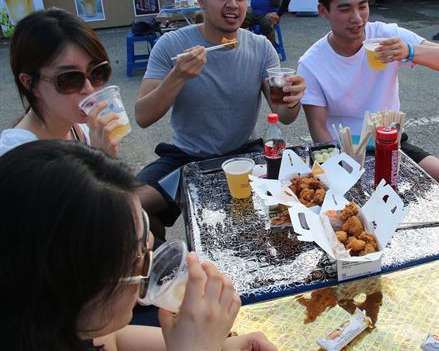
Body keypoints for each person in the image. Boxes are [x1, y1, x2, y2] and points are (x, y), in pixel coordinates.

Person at [0, 140, 276, 350]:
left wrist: (216, 345)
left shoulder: (75, 321)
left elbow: (111, 337)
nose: (152, 256)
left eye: (147, 236)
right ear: (72, 285)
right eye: (139, 259)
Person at [135, 0, 305, 239]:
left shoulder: (261, 47)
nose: (233, 5)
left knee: (286, 201)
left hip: (244, 153)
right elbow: (143, 116)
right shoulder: (171, 45)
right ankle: (163, 265)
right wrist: (178, 76)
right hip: (186, 158)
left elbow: (285, 117)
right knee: (126, 208)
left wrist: (294, 97)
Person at [298, 0, 439, 200]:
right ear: (323, 11)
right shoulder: (312, 63)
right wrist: (339, 171)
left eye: (362, 6)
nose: (357, 18)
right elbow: (318, 129)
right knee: (362, 207)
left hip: (390, 143)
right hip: (345, 152)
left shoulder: (386, 36)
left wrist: (409, 50)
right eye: (345, 9)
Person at [0, 8, 122, 157]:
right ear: (29, 83)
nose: (89, 89)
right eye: (69, 79)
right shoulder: (15, 157)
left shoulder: (80, 127)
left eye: (98, 72)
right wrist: (100, 159)